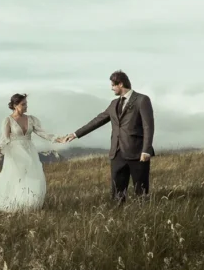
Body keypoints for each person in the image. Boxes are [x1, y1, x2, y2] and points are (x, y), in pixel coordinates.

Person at [60, 70, 155, 203]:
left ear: (120, 84)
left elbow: (148, 126)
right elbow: (97, 121)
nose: (111, 88)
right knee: (117, 193)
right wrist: (75, 134)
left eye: (113, 85)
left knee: (141, 191)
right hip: (116, 153)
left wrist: (146, 150)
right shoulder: (113, 104)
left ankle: (145, 217)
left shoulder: (142, 100)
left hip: (137, 152)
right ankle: (119, 215)